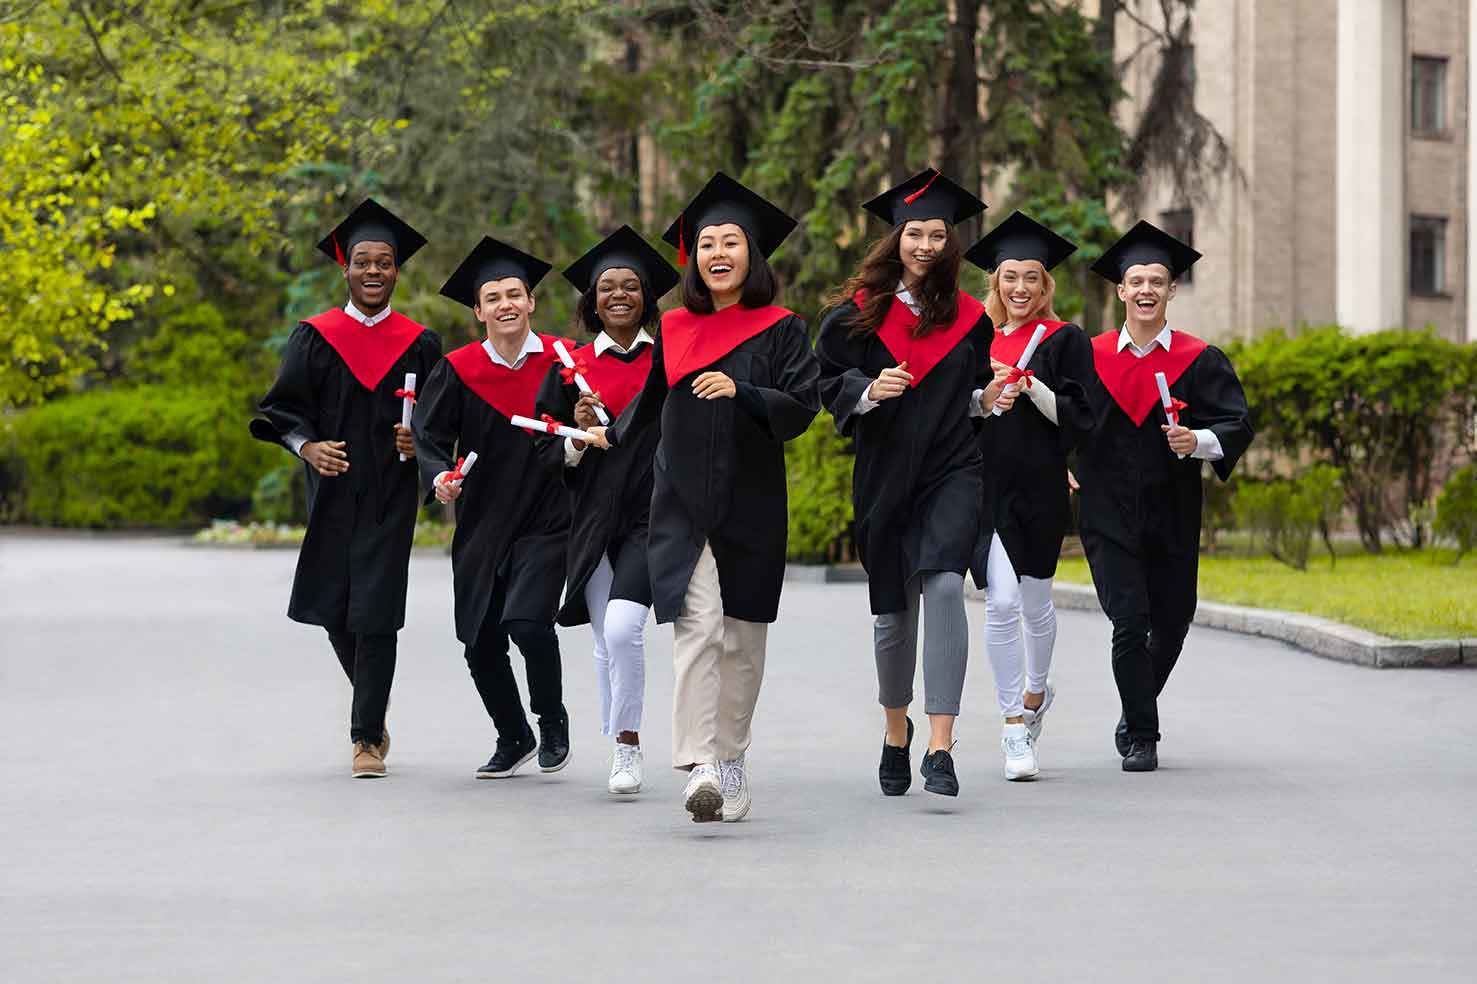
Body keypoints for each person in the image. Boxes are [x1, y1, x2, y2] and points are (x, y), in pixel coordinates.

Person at [586, 172, 820, 823]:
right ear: (693, 259)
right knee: (695, 629)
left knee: (741, 638)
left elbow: (803, 407)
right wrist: (601, 430)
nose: (718, 253)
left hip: (751, 505)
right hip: (682, 504)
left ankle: (732, 755)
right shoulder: (676, 326)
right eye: (707, 243)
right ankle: (701, 766)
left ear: (751, 255)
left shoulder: (782, 330)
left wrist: (743, 392)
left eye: (731, 242)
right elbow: (646, 410)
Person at [815, 167, 994, 798]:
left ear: (950, 244)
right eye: (915, 233)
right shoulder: (854, 318)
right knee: (892, 616)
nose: (926, 246)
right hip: (885, 476)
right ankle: (898, 729)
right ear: (896, 238)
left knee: (946, 585)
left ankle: (942, 746)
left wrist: (986, 398)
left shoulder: (971, 321)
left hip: (952, 470)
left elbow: (965, 397)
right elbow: (821, 385)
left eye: (938, 235)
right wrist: (866, 390)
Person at [250, 199, 441, 779]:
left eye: (385, 261)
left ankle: (364, 738)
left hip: (390, 493)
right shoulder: (314, 338)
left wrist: (422, 444)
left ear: (397, 271)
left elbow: (440, 416)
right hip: (332, 491)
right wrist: (307, 448)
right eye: (363, 261)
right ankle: (374, 705)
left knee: (377, 611)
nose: (374, 271)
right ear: (346, 269)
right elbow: (282, 411)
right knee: (336, 607)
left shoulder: (420, 343)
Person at [1077, 220, 1254, 772]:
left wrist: (1195, 439)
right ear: (1121, 291)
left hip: (1173, 509)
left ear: (1172, 290)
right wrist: (1063, 464)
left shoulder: (1199, 360)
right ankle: (1144, 735)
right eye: (1137, 281)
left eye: (1158, 280)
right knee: (1129, 620)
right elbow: (1067, 421)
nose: (1147, 289)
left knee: (1173, 619)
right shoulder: (1092, 356)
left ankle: (1133, 710)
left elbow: (1236, 423)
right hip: (1107, 509)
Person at [411, 236, 573, 780]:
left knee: (528, 622)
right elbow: (429, 436)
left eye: (515, 294)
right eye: (493, 297)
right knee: (479, 642)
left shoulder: (562, 362)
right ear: (478, 311)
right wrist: (440, 477)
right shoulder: (457, 370)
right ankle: (513, 735)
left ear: (531, 302)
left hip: (547, 518)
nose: (506, 304)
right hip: (481, 521)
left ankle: (551, 720)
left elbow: (592, 425)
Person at [533, 225, 679, 795]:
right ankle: (618, 735)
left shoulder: (667, 361)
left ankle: (627, 746)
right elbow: (543, 451)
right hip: (590, 515)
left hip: (649, 512)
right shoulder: (568, 369)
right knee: (601, 640)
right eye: (606, 288)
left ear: (646, 297)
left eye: (631, 286)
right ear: (591, 301)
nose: (618, 295)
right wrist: (577, 434)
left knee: (622, 631)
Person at [964, 211, 1094, 781]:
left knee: (1037, 607)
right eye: (1010, 276)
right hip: (986, 485)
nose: (1020, 287)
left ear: (1046, 286)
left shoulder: (1065, 341)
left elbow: (1082, 418)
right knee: (1002, 604)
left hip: (1040, 484)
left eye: (1032, 278)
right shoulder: (976, 339)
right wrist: (987, 395)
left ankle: (1038, 694)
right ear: (995, 282)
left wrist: (1033, 386)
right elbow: (957, 414)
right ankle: (1014, 725)